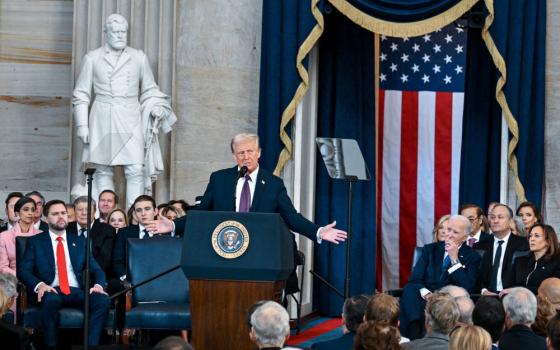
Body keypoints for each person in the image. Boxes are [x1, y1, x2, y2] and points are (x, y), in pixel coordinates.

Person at [145, 133, 347, 291]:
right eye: (241, 153)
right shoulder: (220, 179)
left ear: (259, 153)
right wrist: (173, 225)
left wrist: (318, 231)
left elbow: (291, 217)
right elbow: (201, 214)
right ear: (234, 156)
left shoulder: (273, 184)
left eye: (250, 151)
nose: (246, 156)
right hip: (224, 256)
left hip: (258, 258)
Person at [73, 13, 176, 208]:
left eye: (123, 32)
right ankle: (107, 218)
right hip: (103, 115)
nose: (120, 36)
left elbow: (149, 88)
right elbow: (81, 94)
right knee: (103, 170)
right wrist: (82, 125)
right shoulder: (92, 58)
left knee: (136, 169)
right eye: (116, 32)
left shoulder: (138, 57)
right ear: (106, 33)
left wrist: (156, 106)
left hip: (130, 116)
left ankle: (135, 217)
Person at [17, 200, 110, 348]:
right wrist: (40, 285)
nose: (61, 217)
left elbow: (97, 269)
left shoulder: (80, 242)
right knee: (51, 300)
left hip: (76, 291)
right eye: (55, 214)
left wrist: (98, 285)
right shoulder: (36, 242)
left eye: (63, 213)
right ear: (46, 219)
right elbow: (23, 271)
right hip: (51, 290)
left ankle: (90, 346)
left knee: (102, 301)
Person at [399, 215, 480, 339]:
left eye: (455, 232)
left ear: (464, 237)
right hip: (426, 297)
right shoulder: (430, 250)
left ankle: (420, 338)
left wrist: (454, 260)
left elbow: (468, 287)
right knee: (410, 289)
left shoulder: (472, 256)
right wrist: (427, 294)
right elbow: (415, 279)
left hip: (449, 300)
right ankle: (412, 337)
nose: (449, 234)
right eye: (448, 229)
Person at [112, 195, 172, 280]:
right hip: (130, 282)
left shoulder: (167, 234)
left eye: (147, 209)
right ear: (135, 214)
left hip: (161, 281)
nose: (143, 213)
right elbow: (117, 262)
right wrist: (127, 279)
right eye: (139, 210)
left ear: (155, 211)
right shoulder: (124, 233)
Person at [475, 204, 529, 295]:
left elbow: (525, 276)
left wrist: (511, 291)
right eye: (492, 217)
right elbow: (475, 275)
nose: (495, 221)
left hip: (513, 295)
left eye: (500, 217)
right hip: (485, 296)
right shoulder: (479, 246)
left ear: (510, 221)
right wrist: (483, 291)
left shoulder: (523, 245)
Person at [66, 196, 118, 292]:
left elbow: (105, 260)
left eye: (88, 209)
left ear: (95, 211)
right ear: (74, 211)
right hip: (71, 277)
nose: (84, 213)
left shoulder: (106, 230)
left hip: (97, 277)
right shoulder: (66, 229)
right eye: (80, 209)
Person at [501, 224, 560, 296]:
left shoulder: (556, 263)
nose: (532, 239)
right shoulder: (519, 261)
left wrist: (520, 290)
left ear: (547, 241)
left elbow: (551, 290)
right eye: (530, 236)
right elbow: (507, 285)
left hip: (542, 303)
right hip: (516, 301)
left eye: (537, 236)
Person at [0, 196, 42, 276]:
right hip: (13, 280)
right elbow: (3, 267)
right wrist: (23, 277)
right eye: (26, 209)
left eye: (33, 210)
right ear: (17, 213)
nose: (30, 213)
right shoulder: (4, 236)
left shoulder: (41, 235)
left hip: (38, 281)